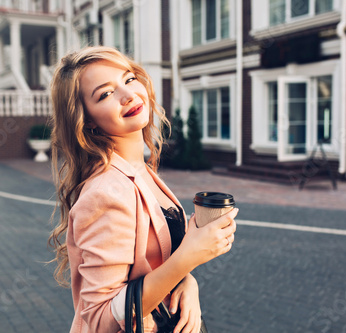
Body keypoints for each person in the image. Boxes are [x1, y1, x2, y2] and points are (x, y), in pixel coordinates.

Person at [48, 46, 238, 333]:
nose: (128, 96)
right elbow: (99, 319)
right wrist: (190, 256)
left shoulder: (140, 170)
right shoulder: (105, 192)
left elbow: (147, 266)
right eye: (105, 94)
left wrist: (188, 281)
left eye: (128, 79)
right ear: (86, 120)